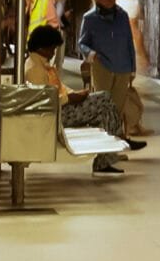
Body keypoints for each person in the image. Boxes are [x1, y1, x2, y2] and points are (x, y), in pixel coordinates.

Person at [24, 26, 126, 174]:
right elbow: (44, 102)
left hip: (61, 108)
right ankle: (109, 153)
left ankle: (108, 154)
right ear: (41, 48)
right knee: (105, 102)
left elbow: (57, 87)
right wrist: (70, 98)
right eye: (51, 49)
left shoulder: (39, 64)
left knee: (105, 103)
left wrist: (74, 93)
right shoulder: (34, 70)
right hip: (56, 115)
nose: (53, 53)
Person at [77, 0, 147, 153]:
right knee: (103, 106)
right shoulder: (90, 18)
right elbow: (82, 43)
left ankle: (117, 143)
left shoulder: (122, 15)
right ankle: (104, 146)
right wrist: (92, 55)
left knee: (117, 107)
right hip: (102, 67)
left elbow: (128, 43)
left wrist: (132, 68)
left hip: (122, 66)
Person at [111, 0, 147, 138]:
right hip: (129, 50)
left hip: (113, 51)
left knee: (120, 88)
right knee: (133, 89)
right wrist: (142, 52)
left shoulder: (111, 2)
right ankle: (132, 124)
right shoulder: (131, 4)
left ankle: (127, 124)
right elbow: (134, 31)